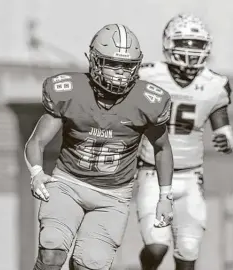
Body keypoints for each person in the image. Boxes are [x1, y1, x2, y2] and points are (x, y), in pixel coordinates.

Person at [24, 23, 174, 270]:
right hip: (68, 184)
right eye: (112, 63)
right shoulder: (70, 91)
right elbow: (37, 140)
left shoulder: (148, 101)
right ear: (93, 61)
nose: (119, 72)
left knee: (90, 263)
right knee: (51, 251)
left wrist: (165, 196)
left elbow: (163, 148)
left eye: (126, 66)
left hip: (113, 196)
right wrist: (37, 173)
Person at [136, 13, 233, 270]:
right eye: (184, 43)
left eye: (196, 44)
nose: (190, 50)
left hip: (191, 175)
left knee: (188, 250)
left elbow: (218, 116)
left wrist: (225, 134)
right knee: (157, 247)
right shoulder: (148, 75)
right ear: (169, 43)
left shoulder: (214, 84)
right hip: (152, 172)